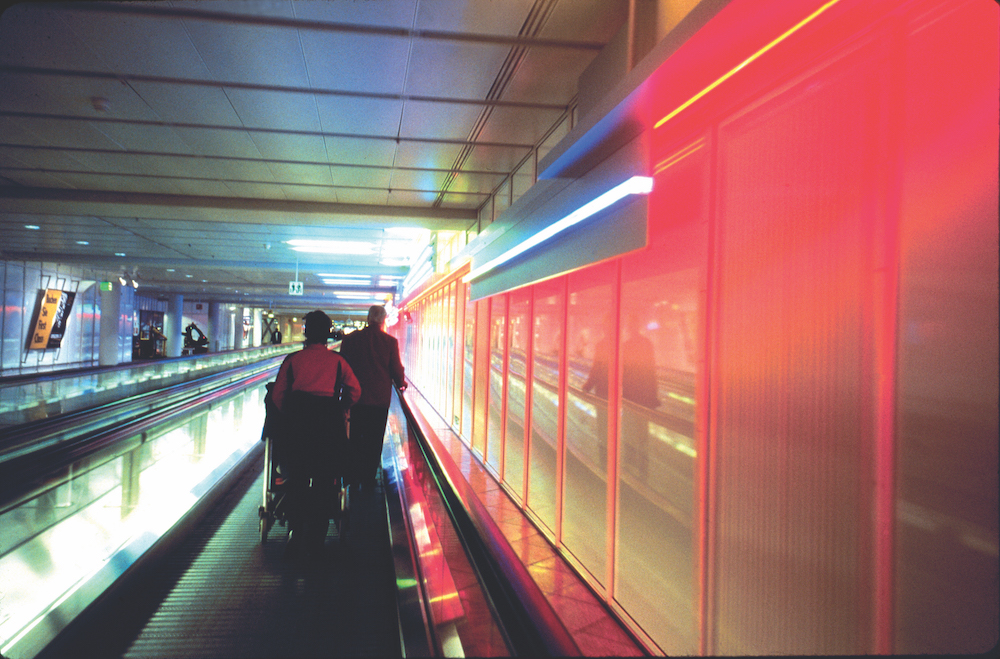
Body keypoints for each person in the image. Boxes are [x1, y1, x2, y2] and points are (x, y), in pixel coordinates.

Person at [272, 310, 361, 556]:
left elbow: (278, 395)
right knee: (325, 481)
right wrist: (340, 407)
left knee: (298, 479)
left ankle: (295, 532)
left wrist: (291, 415)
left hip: (298, 429)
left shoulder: (292, 360)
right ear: (327, 334)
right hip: (328, 430)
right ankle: (318, 538)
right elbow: (355, 391)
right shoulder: (338, 362)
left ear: (306, 332)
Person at [339, 304, 406, 493]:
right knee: (374, 440)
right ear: (384, 320)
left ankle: (353, 476)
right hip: (378, 401)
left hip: (354, 399)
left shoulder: (351, 340)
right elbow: (396, 370)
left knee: (354, 438)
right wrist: (401, 382)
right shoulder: (390, 342)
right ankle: (368, 478)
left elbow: (341, 366)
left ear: (368, 319)